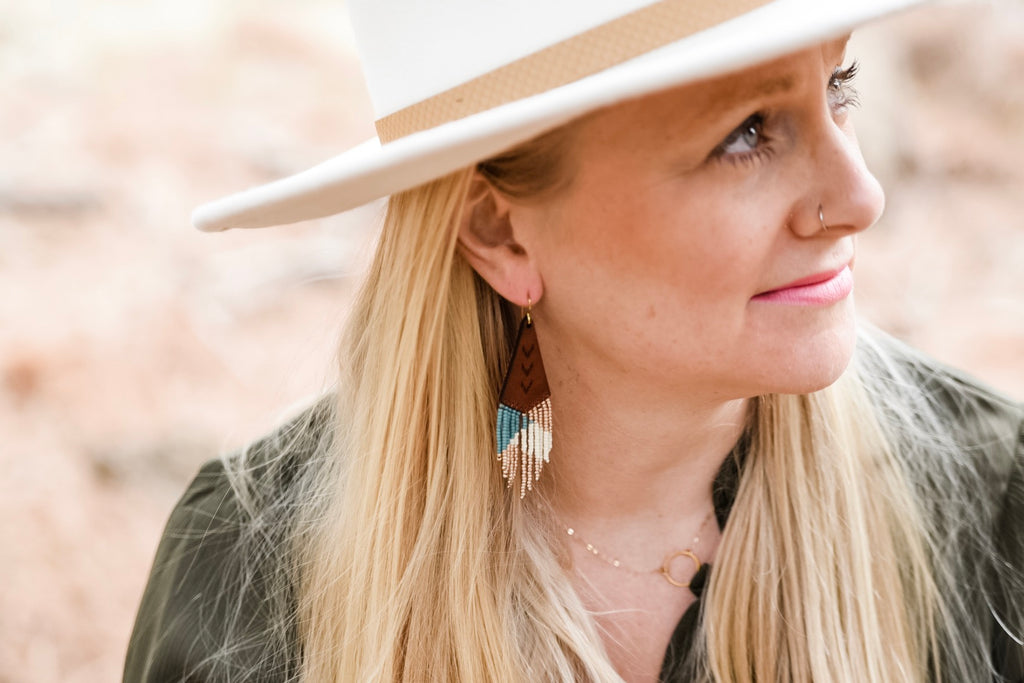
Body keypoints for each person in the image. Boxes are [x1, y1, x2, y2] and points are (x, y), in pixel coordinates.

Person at [124, 0, 1024, 681]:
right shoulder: (245, 583)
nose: (861, 195)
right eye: (746, 134)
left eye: (840, 87)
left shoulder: (987, 512)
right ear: (501, 232)